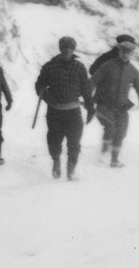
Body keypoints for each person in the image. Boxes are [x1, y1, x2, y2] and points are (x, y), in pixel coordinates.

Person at [35, 36, 95, 180]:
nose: (67, 50)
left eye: (70, 48)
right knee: (54, 140)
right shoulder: (49, 66)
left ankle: (71, 169)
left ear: (73, 49)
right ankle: (56, 160)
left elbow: (86, 89)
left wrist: (91, 108)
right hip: (55, 111)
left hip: (73, 111)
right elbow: (39, 85)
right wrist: (47, 97)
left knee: (74, 142)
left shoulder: (79, 67)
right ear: (60, 48)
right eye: (64, 47)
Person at [90, 36, 139, 168]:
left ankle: (114, 160)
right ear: (119, 51)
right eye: (123, 51)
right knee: (110, 127)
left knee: (121, 132)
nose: (125, 54)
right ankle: (104, 153)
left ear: (132, 54)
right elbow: (93, 81)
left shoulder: (133, 71)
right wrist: (88, 97)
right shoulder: (107, 66)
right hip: (104, 105)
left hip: (121, 107)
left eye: (128, 52)